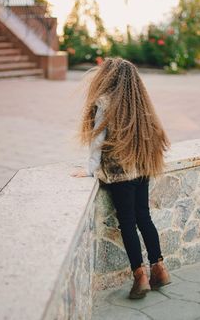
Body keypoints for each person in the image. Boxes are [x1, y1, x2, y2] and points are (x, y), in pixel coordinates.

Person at [71, 57, 171, 299]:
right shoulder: (140, 102)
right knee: (144, 217)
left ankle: (140, 276)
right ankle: (160, 268)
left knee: (127, 223)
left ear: (108, 77)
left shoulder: (104, 102)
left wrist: (90, 169)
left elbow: (98, 140)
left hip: (119, 173)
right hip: (142, 169)